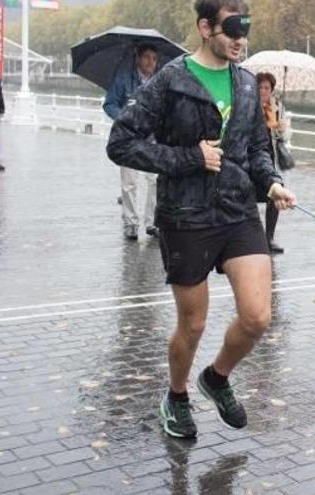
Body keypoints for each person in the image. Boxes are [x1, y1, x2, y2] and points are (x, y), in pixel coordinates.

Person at [106, 0, 297, 440]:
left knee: (257, 317)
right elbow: (121, 143)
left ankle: (216, 377)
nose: (240, 40)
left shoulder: (246, 83)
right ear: (206, 27)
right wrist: (189, 157)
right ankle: (176, 396)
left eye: (245, 30)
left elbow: (256, 149)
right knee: (192, 325)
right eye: (232, 30)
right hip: (186, 215)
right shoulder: (171, 80)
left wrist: (271, 184)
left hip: (237, 211)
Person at [104, 43, 161, 240]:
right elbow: (109, 104)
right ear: (138, 58)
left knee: (155, 180)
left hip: (152, 138)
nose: (151, 62)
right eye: (147, 57)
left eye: (154, 59)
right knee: (130, 182)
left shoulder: (159, 82)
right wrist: (124, 118)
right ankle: (130, 222)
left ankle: (152, 222)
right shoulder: (123, 80)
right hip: (128, 138)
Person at [256, 71, 291, 254]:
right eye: (260, 87)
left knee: (275, 194)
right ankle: (252, 237)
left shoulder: (277, 108)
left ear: (271, 90)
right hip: (251, 159)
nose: (263, 91)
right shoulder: (249, 106)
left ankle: (269, 237)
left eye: (267, 88)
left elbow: (284, 137)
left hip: (270, 158)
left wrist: (282, 130)